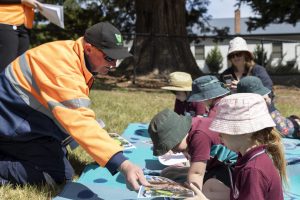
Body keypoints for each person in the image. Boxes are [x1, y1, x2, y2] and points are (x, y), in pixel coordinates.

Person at [0, 22, 149, 189]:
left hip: (21, 119)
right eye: (109, 57)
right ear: (88, 48)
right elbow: (79, 120)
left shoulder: (73, 55)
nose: (113, 65)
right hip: (10, 125)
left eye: (117, 58)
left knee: (59, 156)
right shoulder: (63, 69)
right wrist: (123, 164)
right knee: (57, 175)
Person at [186, 93, 287, 200]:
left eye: (224, 130)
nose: (219, 135)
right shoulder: (249, 157)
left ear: (246, 132)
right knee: (212, 185)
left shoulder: (253, 170)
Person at [148, 109, 236, 194]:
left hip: (232, 168)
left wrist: (192, 195)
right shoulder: (191, 129)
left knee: (208, 188)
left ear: (180, 134)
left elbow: (197, 174)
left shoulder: (199, 136)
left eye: (172, 145)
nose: (173, 151)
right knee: (167, 172)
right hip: (214, 166)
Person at [0, 0, 42, 71]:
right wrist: (23, 1)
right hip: (5, 21)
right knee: (6, 67)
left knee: (19, 68)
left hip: (24, 26)